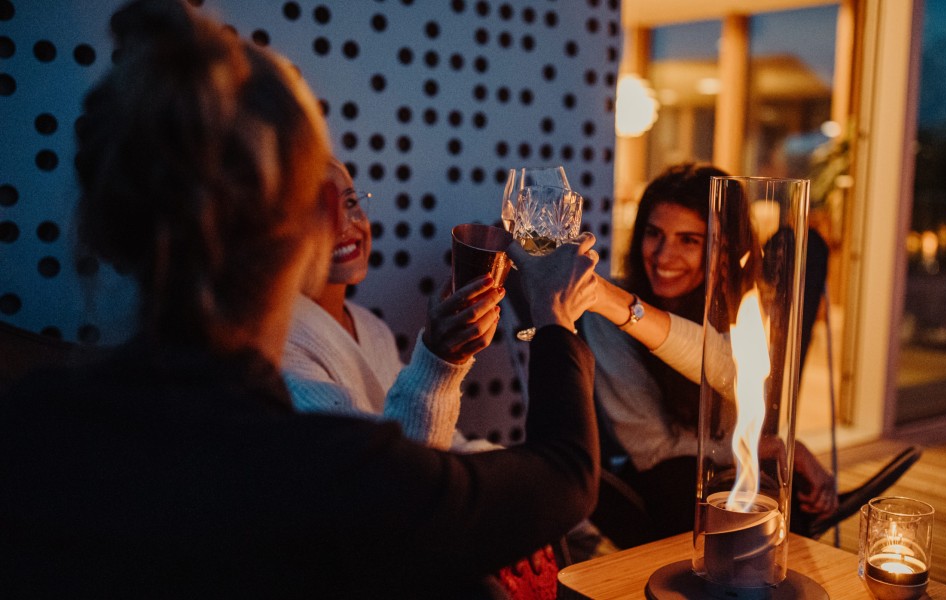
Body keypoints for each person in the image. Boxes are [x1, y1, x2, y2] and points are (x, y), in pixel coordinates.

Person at [0, 1, 601, 597]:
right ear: (323, 218)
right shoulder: (328, 473)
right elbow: (567, 476)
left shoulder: (29, 425)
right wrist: (552, 315)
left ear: (104, 226)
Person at [579, 163, 837, 546]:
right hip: (658, 477)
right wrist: (755, 449)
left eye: (689, 240)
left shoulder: (744, 305)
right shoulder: (608, 314)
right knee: (698, 486)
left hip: (725, 462)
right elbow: (653, 449)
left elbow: (735, 372)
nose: (663, 256)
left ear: (723, 247)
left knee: (777, 492)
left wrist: (783, 449)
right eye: (654, 234)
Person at [283, 157, 502, 450]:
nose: (345, 225)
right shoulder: (280, 348)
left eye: (350, 203)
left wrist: (524, 469)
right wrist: (439, 360)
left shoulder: (372, 329)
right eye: (320, 212)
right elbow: (384, 466)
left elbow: (445, 442)